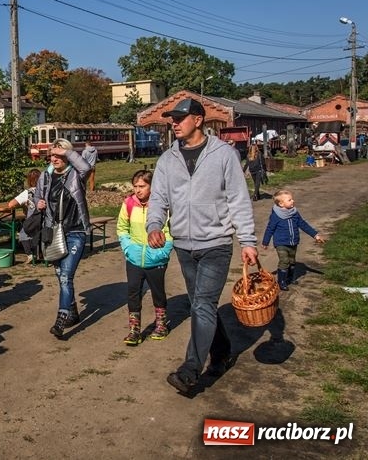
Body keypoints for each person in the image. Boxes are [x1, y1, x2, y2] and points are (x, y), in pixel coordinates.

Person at [146, 97, 258, 395]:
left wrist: (247, 240)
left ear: (198, 119)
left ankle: (190, 370)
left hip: (217, 243)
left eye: (180, 117)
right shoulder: (167, 160)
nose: (174, 122)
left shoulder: (223, 154)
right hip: (184, 245)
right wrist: (154, 224)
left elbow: (238, 199)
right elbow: (157, 198)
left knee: (203, 304)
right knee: (201, 303)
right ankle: (221, 353)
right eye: (172, 118)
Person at [34, 138, 91, 338]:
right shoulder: (46, 177)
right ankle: (73, 310)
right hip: (54, 233)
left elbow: (86, 166)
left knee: (66, 276)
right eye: (52, 155)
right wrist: (38, 202)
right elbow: (36, 197)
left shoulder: (76, 175)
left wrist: (66, 152)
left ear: (66, 155)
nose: (54, 158)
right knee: (60, 276)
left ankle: (61, 319)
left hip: (75, 232)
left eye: (58, 155)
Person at [117, 170, 173, 346]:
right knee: (133, 293)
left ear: (152, 186)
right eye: (135, 186)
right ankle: (134, 331)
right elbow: (122, 228)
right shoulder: (128, 204)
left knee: (158, 293)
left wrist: (162, 252)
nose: (138, 190)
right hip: (134, 259)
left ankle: (161, 325)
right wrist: (128, 248)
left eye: (142, 186)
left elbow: (170, 231)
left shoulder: (162, 206)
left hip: (156, 259)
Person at [261, 189, 325, 290]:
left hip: (293, 242)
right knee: (284, 261)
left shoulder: (294, 213)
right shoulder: (276, 216)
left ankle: (290, 278)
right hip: (281, 243)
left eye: (292, 199)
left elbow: (303, 224)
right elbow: (270, 228)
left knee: (292, 261)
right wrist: (265, 242)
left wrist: (315, 235)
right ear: (281, 204)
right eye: (289, 200)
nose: (293, 201)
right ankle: (281, 281)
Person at [8, 168, 42, 264]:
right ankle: (40, 252)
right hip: (46, 221)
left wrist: (23, 204)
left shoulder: (28, 193)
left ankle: (30, 255)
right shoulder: (47, 190)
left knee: (23, 234)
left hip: (34, 221)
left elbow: (11, 204)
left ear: (29, 180)